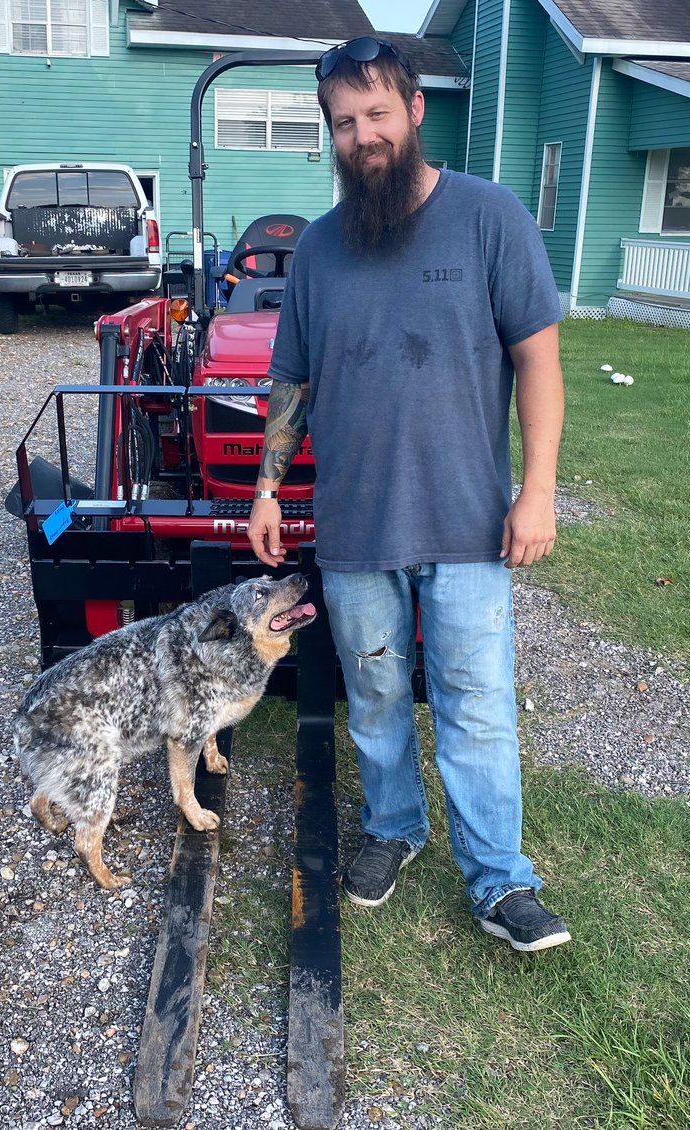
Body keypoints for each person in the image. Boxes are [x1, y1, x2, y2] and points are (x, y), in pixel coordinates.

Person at [246, 37, 570, 953]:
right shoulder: (317, 248)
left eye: (378, 114)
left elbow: (538, 363)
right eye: (344, 123)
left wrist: (538, 488)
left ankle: (501, 882)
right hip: (355, 526)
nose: (364, 136)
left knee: (474, 702)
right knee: (379, 692)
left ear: (415, 110)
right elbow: (293, 383)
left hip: (469, 519)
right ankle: (394, 828)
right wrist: (267, 487)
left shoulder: (489, 218)